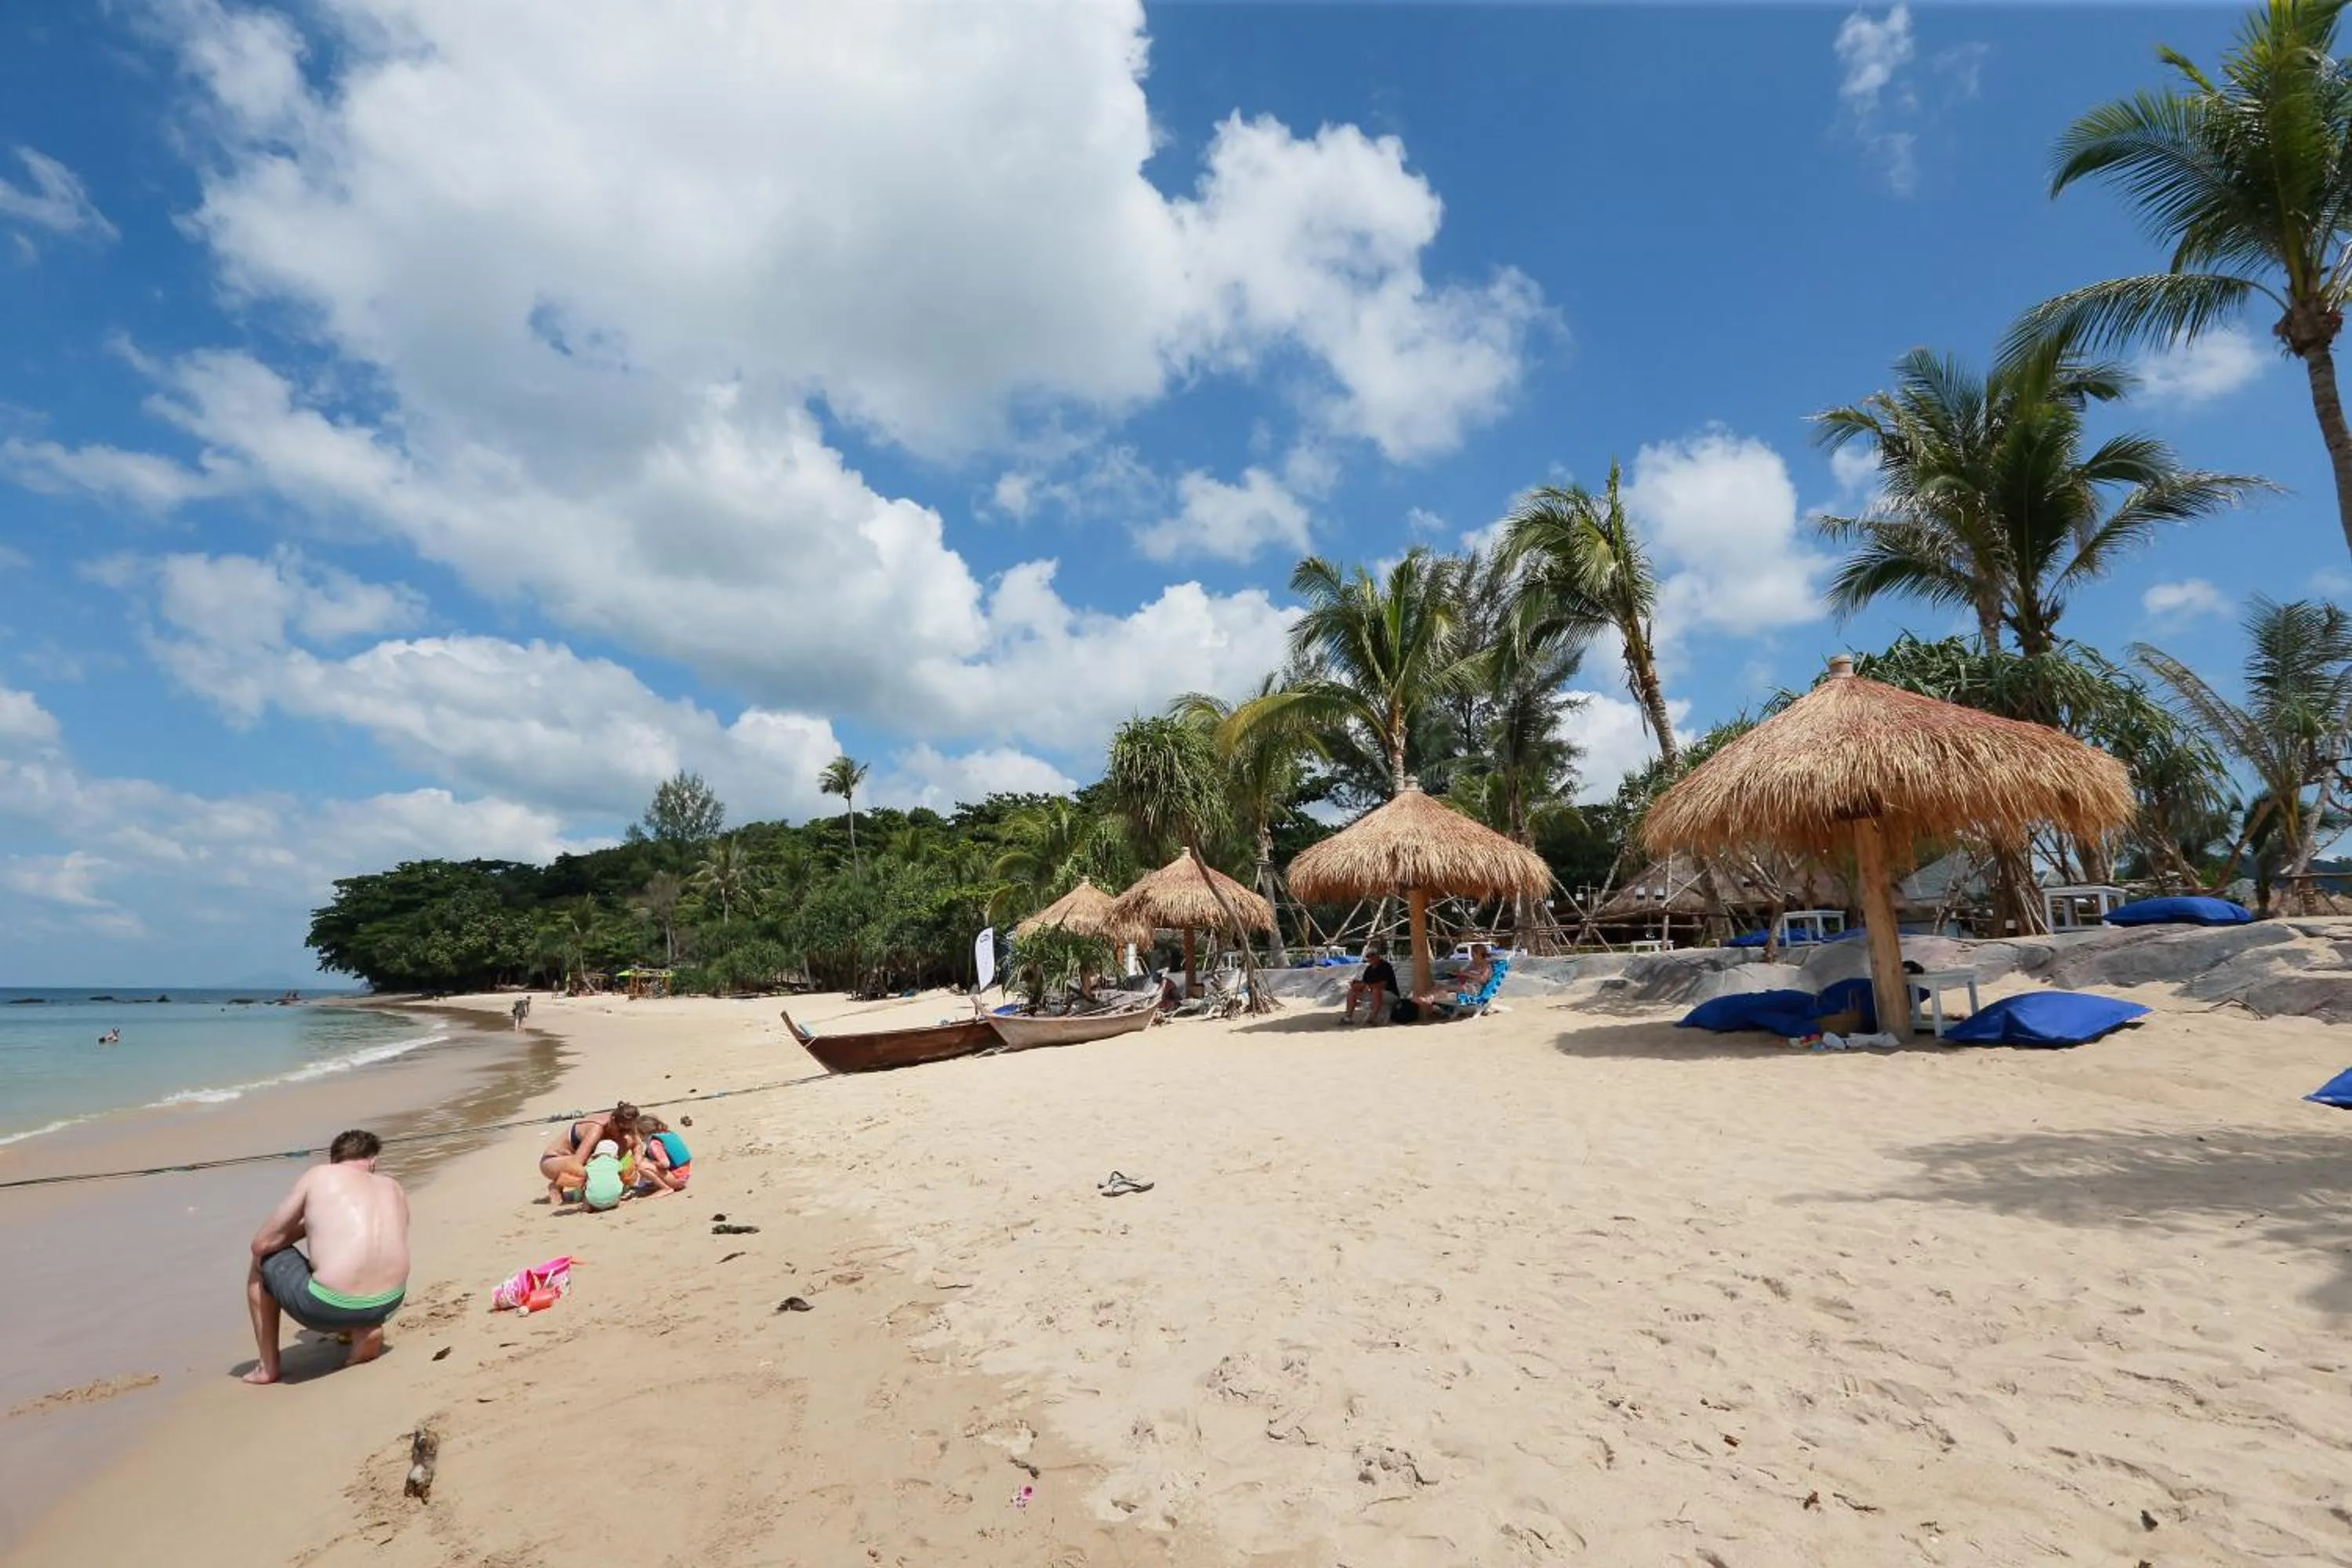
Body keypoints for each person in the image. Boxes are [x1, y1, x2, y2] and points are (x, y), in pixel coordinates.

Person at [244, 1129, 409, 1385]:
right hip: (388, 1302)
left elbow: (261, 1244)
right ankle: (363, 1327)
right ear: (373, 1160)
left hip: (329, 1307)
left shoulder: (319, 1175)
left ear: (335, 1160)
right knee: (348, 1258)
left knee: (261, 1262)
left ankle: (267, 1366)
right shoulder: (393, 1187)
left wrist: (305, 1227)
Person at [538, 1102, 641, 1210]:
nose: (625, 1133)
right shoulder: (597, 1128)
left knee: (624, 1147)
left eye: (629, 1130)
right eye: (622, 1130)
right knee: (596, 1162)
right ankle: (557, 1186)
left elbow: (637, 1145)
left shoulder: (626, 1119)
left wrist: (637, 1162)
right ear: (613, 1122)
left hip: (574, 1158)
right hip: (553, 1161)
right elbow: (577, 1163)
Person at [1341, 943, 1399, 1026]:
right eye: (1368, 956)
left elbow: (1383, 985)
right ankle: (1348, 1017)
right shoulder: (1369, 969)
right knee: (1352, 991)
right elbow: (1365, 983)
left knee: (1376, 991)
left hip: (1390, 994)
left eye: (1373, 955)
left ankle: (1372, 1018)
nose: (1371, 958)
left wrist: (1367, 986)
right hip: (1374, 993)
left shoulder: (1385, 966)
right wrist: (1357, 984)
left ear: (1378, 956)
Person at [635, 1116, 692, 1195]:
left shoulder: (654, 1143)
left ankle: (666, 1188)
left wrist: (651, 1163)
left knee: (642, 1166)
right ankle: (649, 1185)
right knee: (647, 1162)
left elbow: (665, 1164)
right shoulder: (668, 1134)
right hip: (684, 1175)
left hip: (677, 1179)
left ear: (642, 1133)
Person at [580, 1138, 627, 1211]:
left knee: (587, 1185)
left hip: (594, 1202)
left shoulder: (590, 1165)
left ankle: (586, 1207)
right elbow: (623, 1177)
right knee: (618, 1180)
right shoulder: (616, 1163)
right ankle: (615, 1199)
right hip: (614, 1201)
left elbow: (583, 1180)